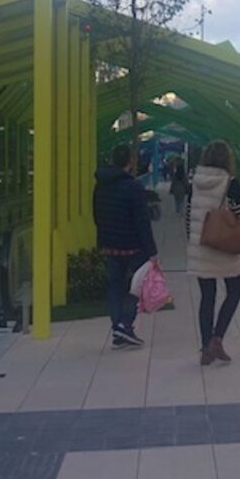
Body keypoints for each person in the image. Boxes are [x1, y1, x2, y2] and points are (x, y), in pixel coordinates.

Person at [186, 140, 240, 366]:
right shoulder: (230, 183)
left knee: (207, 297)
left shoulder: (194, 181)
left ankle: (205, 348)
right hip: (224, 247)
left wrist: (193, 242)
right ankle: (218, 338)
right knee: (234, 291)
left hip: (201, 246)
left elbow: (188, 215)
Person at [93, 144, 158, 348]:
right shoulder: (133, 186)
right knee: (136, 285)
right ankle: (124, 324)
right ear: (130, 162)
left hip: (110, 243)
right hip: (132, 245)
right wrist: (151, 250)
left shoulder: (100, 185)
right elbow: (142, 221)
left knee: (115, 285)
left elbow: (96, 212)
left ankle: (117, 326)